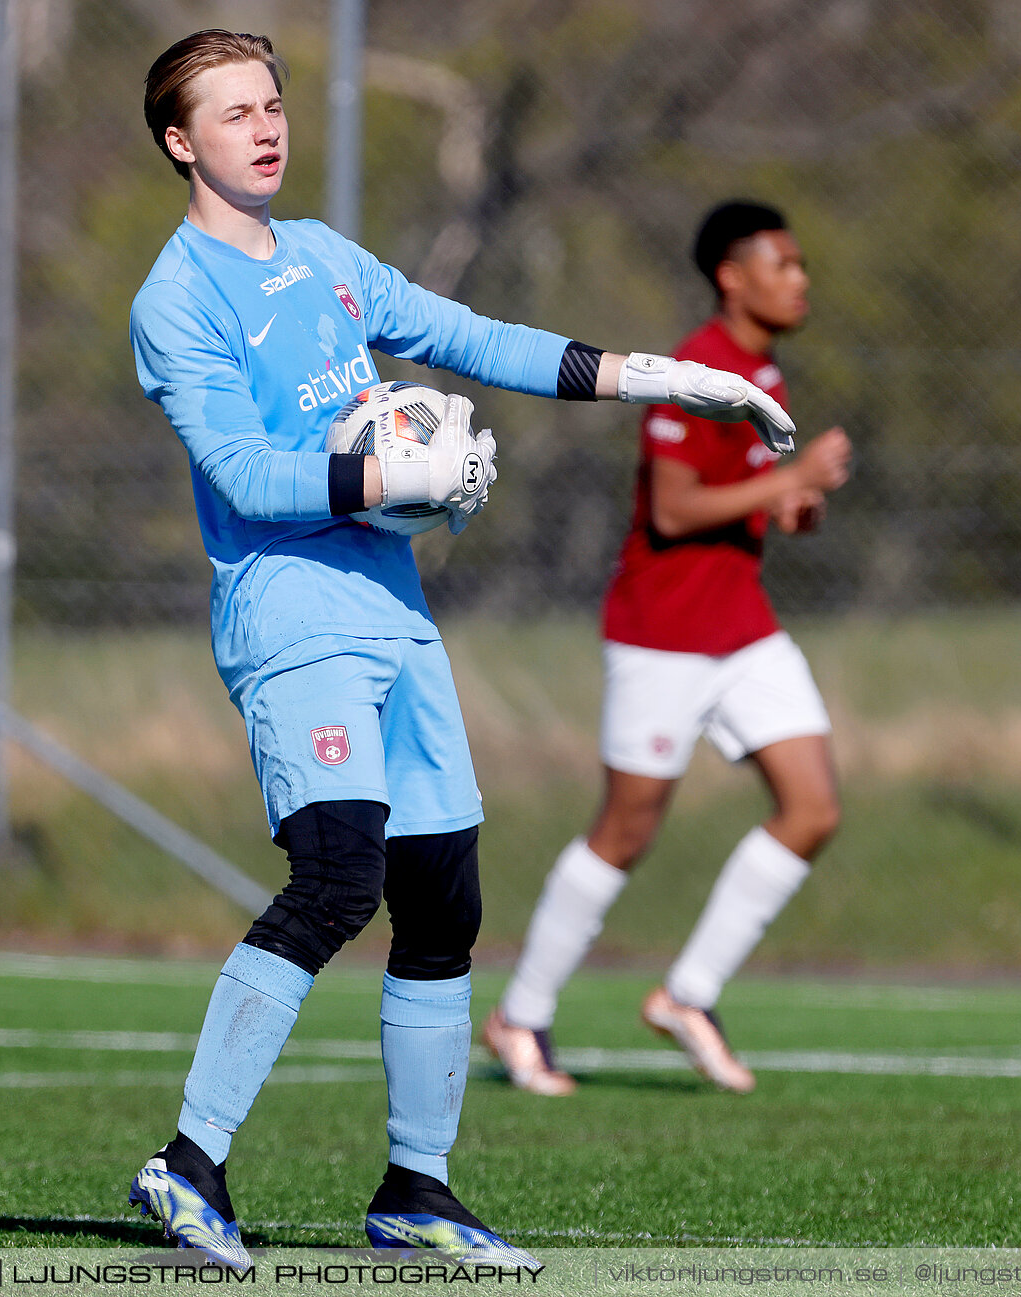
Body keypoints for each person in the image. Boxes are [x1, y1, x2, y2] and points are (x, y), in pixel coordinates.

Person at [124, 34, 798, 1268]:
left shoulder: (325, 257)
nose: (264, 129)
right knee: (336, 878)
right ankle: (188, 1165)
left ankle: (415, 1192)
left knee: (444, 899)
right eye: (232, 115)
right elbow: (238, 472)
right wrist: (390, 470)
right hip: (292, 614)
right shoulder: (175, 300)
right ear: (182, 143)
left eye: (272, 105)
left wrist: (669, 377)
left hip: (394, 613)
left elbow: (474, 336)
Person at [483, 202, 852, 1097]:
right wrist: (787, 479)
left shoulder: (764, 373)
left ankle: (690, 995)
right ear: (733, 275)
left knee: (813, 808)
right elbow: (675, 509)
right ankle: (520, 1015)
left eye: (802, 264)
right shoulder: (698, 374)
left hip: (743, 628)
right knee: (626, 828)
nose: (800, 279)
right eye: (784, 263)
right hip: (662, 636)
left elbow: (752, 497)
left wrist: (790, 502)